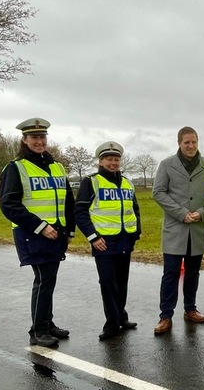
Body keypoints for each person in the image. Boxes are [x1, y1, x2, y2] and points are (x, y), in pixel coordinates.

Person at [0, 118, 75, 348]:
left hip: (56, 233)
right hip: (33, 233)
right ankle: (38, 331)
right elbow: (9, 204)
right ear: (24, 140)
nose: (39, 141)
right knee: (43, 280)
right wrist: (41, 226)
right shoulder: (16, 168)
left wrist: (69, 230)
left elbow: (67, 200)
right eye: (34, 137)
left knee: (48, 280)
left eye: (42, 137)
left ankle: (46, 323)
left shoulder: (57, 166)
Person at [152, 127, 204, 335]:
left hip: (197, 229)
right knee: (171, 273)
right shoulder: (166, 165)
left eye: (194, 142)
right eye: (186, 142)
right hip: (175, 229)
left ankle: (190, 309)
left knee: (192, 273)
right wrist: (181, 213)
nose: (191, 146)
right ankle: (165, 316)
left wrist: (203, 212)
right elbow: (158, 192)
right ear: (179, 143)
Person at [74, 141, 141, 340]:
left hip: (125, 239)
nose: (113, 163)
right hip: (103, 242)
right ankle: (111, 323)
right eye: (109, 159)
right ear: (101, 161)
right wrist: (93, 237)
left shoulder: (127, 182)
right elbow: (80, 212)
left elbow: (134, 209)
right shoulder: (91, 182)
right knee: (107, 282)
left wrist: (136, 233)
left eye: (116, 159)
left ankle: (121, 316)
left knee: (122, 281)